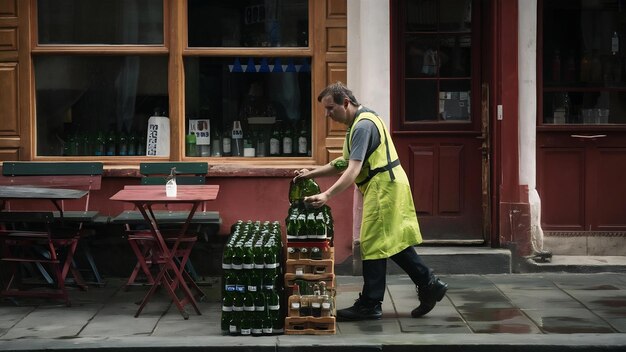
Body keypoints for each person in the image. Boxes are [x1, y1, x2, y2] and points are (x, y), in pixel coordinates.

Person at [293, 82, 448, 321]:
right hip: (386, 184)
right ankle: (429, 284)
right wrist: (311, 174)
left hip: (383, 187)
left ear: (346, 102)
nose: (327, 114)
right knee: (390, 241)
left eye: (330, 108)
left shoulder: (363, 126)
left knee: (373, 243)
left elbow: (352, 171)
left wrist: (326, 195)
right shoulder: (359, 122)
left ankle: (370, 303)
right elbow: (342, 163)